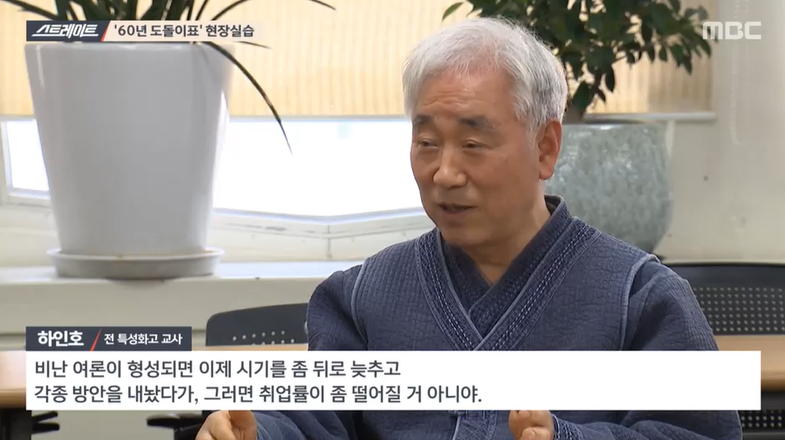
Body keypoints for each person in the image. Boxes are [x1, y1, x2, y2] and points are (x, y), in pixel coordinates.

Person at [196, 17, 743, 440]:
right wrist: (256, 432)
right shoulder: (361, 297)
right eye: (426, 143)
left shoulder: (639, 296)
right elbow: (317, 421)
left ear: (545, 147)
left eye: (474, 144)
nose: (445, 173)